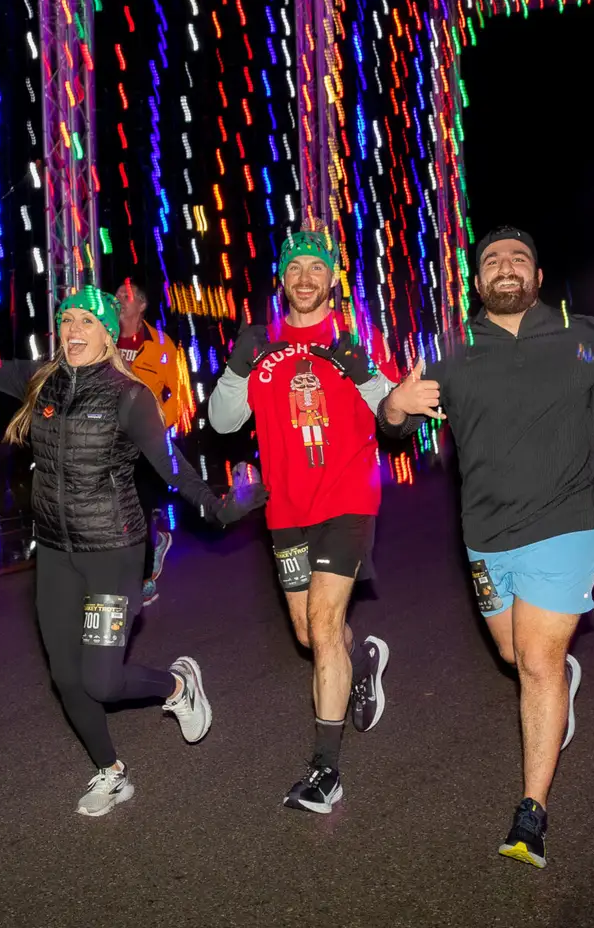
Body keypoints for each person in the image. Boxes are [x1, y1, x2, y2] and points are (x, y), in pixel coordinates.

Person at [379, 227, 594, 868]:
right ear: (479, 281)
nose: (506, 267)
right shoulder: (451, 346)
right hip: (486, 536)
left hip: (570, 521)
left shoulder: (583, 334)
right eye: (492, 261)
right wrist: (396, 406)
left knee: (538, 659)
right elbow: (395, 420)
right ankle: (561, 680)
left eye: (519, 258)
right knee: (515, 652)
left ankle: (531, 813)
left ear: (539, 277)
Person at [0, 252, 248, 816]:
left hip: (112, 553)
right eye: (66, 320)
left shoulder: (129, 396)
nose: (72, 329)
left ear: (108, 334)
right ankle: (111, 772)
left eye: (86, 321)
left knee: (104, 682)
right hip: (57, 555)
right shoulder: (40, 381)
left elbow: (173, 467)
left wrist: (222, 508)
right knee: (68, 678)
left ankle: (178, 688)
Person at [207, 229, 395, 815]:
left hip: (349, 497)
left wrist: (363, 372)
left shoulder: (355, 340)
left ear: (332, 279)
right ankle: (360, 659)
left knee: (323, 615)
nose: (306, 278)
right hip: (286, 509)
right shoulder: (261, 346)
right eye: (297, 269)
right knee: (312, 635)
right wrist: (238, 367)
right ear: (282, 280)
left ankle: (326, 770)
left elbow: (395, 412)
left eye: (317, 267)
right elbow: (220, 422)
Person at [114, 277, 192, 604]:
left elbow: (180, 395)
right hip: (108, 439)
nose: (118, 298)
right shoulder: (103, 339)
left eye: (126, 295)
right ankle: (147, 547)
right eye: (116, 294)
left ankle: (144, 576)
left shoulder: (162, 344)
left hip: (145, 442)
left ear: (142, 304)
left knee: (137, 506)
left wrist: (158, 426)